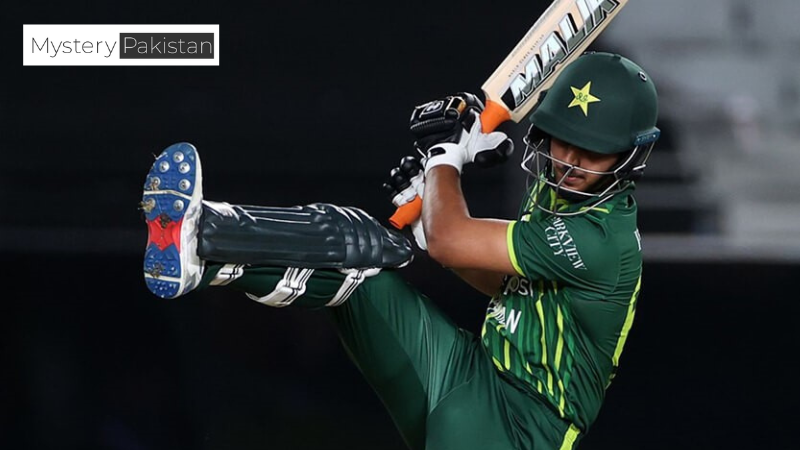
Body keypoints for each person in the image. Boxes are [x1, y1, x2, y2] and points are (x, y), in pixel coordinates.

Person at [140, 52, 660, 450]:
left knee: (367, 251)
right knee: (359, 254)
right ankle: (203, 243)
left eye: (589, 151)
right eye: (560, 138)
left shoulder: (603, 242)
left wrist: (444, 161)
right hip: (471, 371)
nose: (567, 159)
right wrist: (430, 206)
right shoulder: (561, 189)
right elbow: (505, 281)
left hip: (520, 429)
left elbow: (452, 242)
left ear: (631, 155)